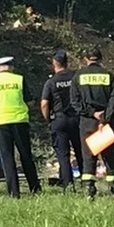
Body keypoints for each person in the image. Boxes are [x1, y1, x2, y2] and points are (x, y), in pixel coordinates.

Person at [72, 46, 114, 199]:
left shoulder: (78, 76)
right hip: (106, 123)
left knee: (88, 156)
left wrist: (92, 113)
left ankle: (89, 190)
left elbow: (75, 102)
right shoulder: (109, 76)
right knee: (110, 156)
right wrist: (105, 117)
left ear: (86, 59)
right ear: (100, 59)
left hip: (87, 122)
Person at [0, 56, 41, 197]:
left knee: (7, 157)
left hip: (0, 122)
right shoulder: (19, 79)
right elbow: (29, 101)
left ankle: (13, 192)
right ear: (11, 67)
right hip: (19, 121)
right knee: (25, 155)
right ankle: (35, 188)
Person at [40, 50, 79, 190]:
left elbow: (44, 104)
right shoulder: (76, 77)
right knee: (81, 152)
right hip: (76, 119)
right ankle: (88, 183)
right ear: (67, 63)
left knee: (63, 154)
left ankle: (68, 185)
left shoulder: (51, 82)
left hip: (59, 119)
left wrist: (48, 120)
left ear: (54, 64)